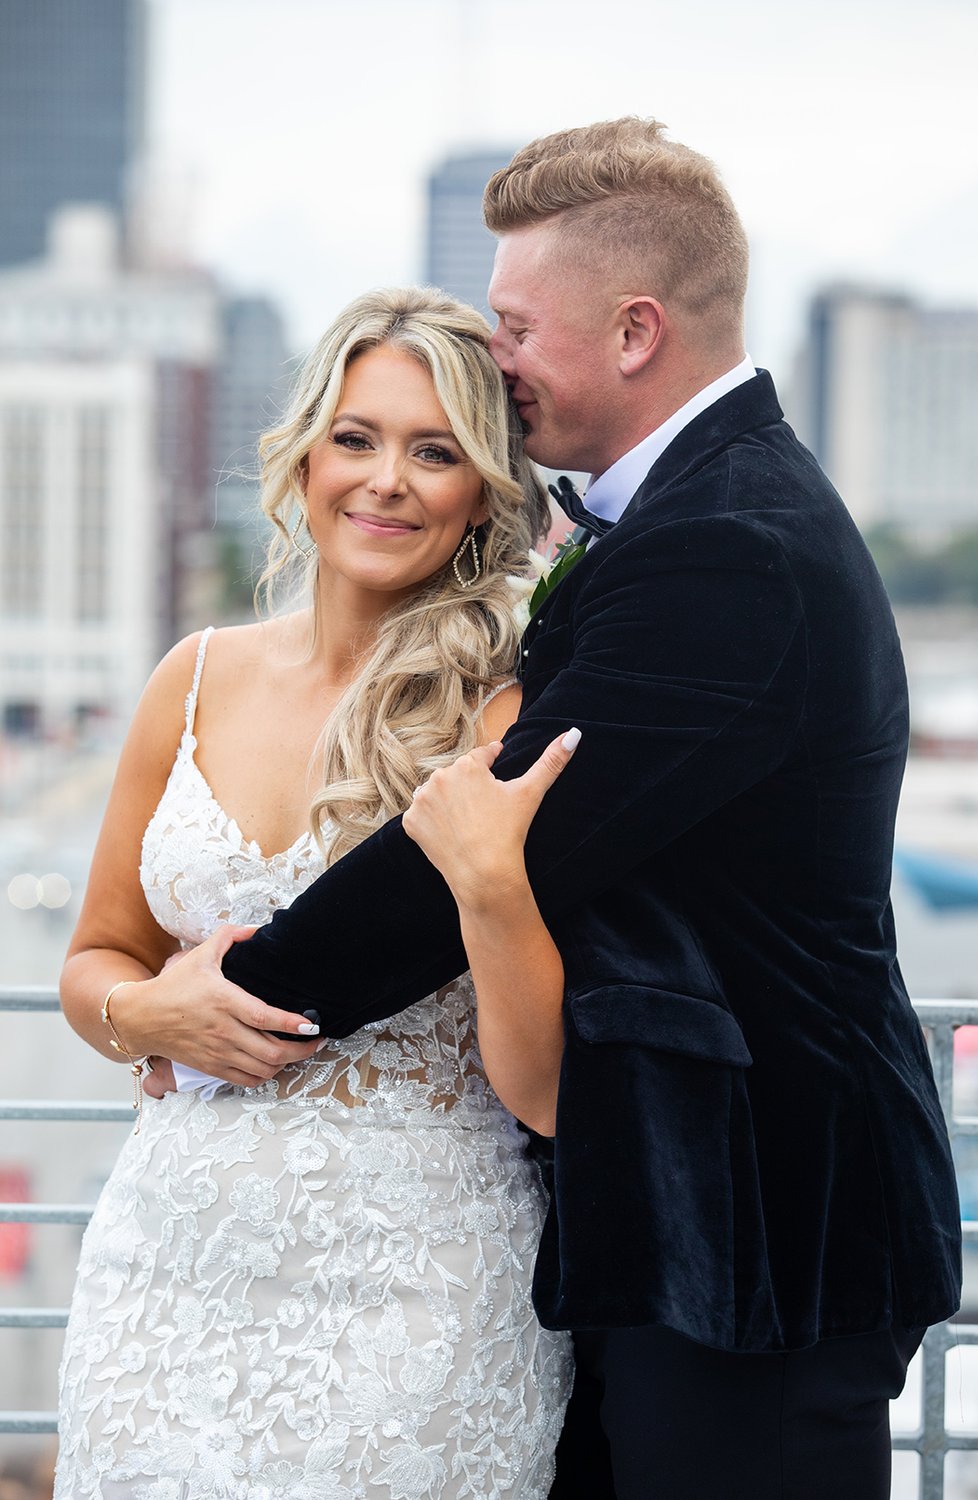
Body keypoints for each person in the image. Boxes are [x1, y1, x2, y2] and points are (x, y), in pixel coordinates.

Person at [150, 118, 964, 1499]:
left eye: (517, 322)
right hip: (682, 1224)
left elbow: (485, 838)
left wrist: (241, 995)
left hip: (761, 1240)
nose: (495, 356)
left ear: (636, 330)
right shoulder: (686, 513)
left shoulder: (730, 546)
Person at [54, 286, 574, 1499]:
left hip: (414, 1291)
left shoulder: (504, 713)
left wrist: (491, 879)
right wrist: (148, 1017)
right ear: (302, 460)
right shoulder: (192, 677)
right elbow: (94, 962)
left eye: (433, 450)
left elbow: (543, 1081)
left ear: (483, 493)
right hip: (164, 1275)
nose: (387, 479)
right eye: (357, 437)